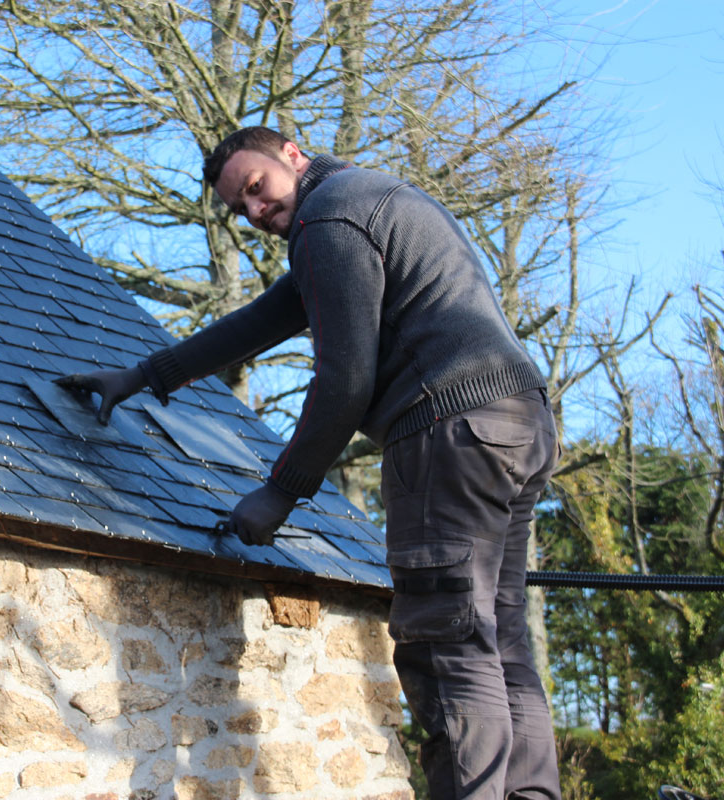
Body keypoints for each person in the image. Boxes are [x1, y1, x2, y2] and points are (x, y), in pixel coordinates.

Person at [58, 126, 561, 800]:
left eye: (257, 189)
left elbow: (346, 380)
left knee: (447, 646)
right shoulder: (366, 200)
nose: (256, 212)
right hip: (517, 422)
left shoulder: (329, 216)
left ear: (291, 155)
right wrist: (147, 374)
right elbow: (267, 317)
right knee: (499, 645)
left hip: (448, 433)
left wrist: (280, 492)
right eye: (242, 209)